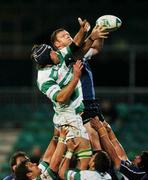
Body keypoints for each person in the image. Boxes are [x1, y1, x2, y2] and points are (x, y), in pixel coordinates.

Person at [31, 26, 103, 170]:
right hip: (67, 117)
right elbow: (61, 97)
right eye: (51, 52)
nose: (55, 52)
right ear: (47, 59)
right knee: (86, 157)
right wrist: (75, 78)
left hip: (76, 111)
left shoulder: (57, 57)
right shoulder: (44, 79)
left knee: (90, 150)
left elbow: (76, 47)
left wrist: (86, 32)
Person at [50, 17, 109, 152]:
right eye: (64, 36)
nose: (68, 37)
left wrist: (100, 31)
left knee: (105, 137)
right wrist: (90, 36)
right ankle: (94, 172)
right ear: (57, 45)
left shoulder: (80, 53)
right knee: (94, 141)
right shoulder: (61, 60)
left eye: (68, 35)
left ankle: (106, 169)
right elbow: (78, 49)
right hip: (79, 105)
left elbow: (96, 48)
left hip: (91, 102)